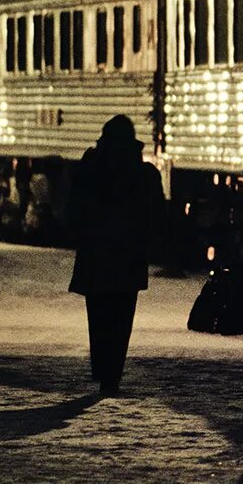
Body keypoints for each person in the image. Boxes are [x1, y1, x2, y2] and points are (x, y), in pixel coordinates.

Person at [67, 115, 165, 396]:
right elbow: (157, 216)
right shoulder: (145, 174)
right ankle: (113, 374)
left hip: (96, 256)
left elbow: (74, 209)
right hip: (128, 258)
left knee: (98, 316)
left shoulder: (90, 169)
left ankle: (101, 366)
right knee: (122, 319)